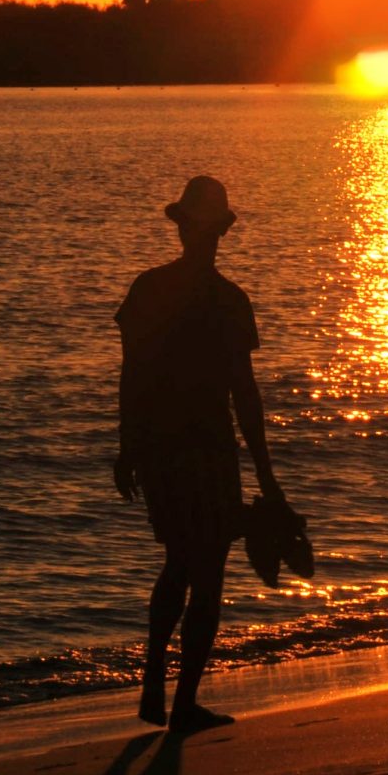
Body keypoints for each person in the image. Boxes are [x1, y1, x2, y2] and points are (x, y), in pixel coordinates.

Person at [113, 174, 280, 732]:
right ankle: (181, 702)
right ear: (217, 233)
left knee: (179, 564)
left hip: (162, 449)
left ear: (184, 228)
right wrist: (266, 474)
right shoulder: (229, 301)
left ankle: (156, 686)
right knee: (203, 574)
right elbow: (245, 395)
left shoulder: (149, 288)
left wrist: (127, 447)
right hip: (206, 452)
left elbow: (131, 377)